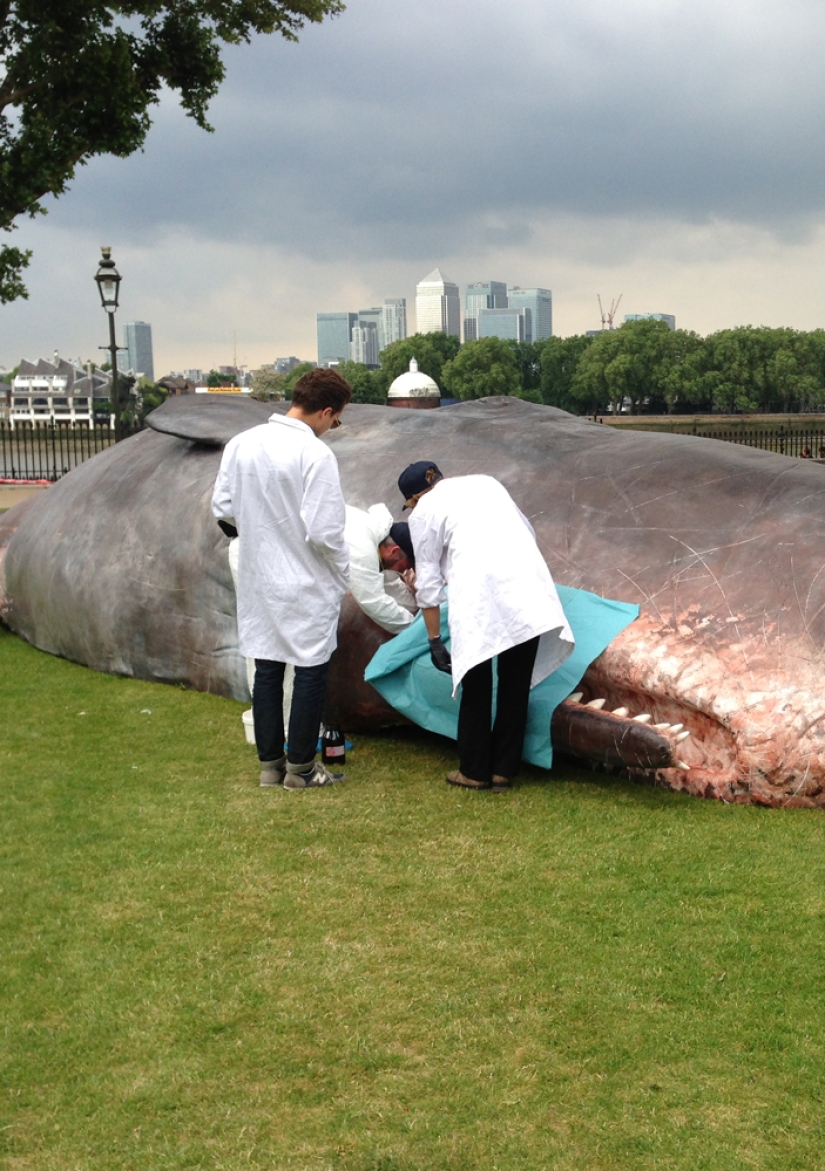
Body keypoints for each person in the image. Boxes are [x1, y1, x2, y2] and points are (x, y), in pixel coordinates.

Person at [212, 368, 352, 790]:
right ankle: (302, 768)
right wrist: (342, 570)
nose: (333, 426)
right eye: (336, 419)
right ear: (326, 411)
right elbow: (324, 532)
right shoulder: (315, 454)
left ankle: (270, 765)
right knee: (310, 669)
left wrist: (261, 533)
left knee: (268, 667)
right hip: (306, 578)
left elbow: (223, 508)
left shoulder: (241, 444)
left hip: (260, 575)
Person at [398, 459, 574, 792]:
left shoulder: (423, 513)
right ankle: (503, 770)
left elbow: (429, 581)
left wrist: (434, 639)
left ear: (415, 498)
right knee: (515, 682)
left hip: (478, 595)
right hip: (526, 586)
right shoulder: (487, 482)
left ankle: (474, 770)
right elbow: (526, 530)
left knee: (476, 682)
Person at [344, 504, 417, 633]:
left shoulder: (382, 541)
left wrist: (415, 609)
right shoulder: (362, 552)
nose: (404, 571)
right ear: (394, 551)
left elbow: (390, 582)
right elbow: (373, 601)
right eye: (406, 566)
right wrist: (417, 629)